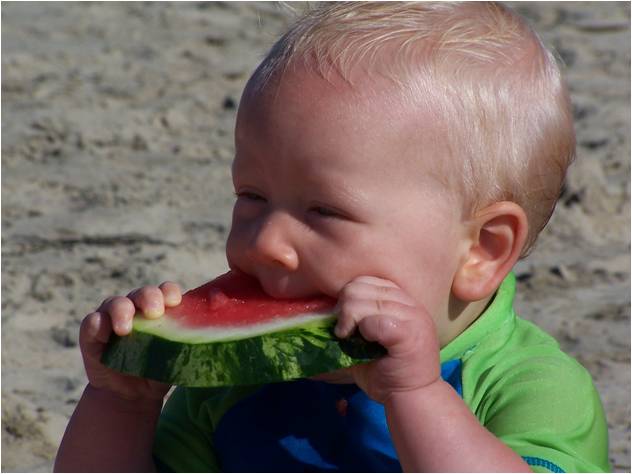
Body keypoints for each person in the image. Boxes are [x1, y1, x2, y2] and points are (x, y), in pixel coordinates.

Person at [55, 2, 610, 472]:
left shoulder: (534, 388)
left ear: (482, 250)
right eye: (252, 196)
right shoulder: (225, 385)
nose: (266, 242)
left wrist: (415, 396)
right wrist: (121, 403)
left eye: (324, 211)